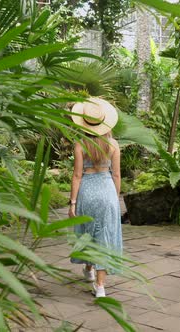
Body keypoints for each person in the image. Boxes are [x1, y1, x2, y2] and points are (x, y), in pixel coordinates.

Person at [68, 97, 123, 298]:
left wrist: (72, 202)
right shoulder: (114, 145)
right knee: (105, 234)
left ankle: (89, 270)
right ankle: (100, 286)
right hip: (107, 190)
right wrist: (115, 199)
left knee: (88, 230)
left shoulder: (80, 145)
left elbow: (77, 175)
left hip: (87, 191)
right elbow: (116, 175)